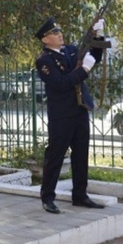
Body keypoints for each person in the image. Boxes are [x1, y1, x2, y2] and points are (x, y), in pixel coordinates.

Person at [34, 16, 106, 214]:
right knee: (55, 155)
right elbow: (61, 83)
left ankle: (80, 195)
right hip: (62, 114)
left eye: (59, 31)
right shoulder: (44, 61)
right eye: (54, 33)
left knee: (81, 154)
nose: (60, 34)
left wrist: (98, 36)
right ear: (45, 39)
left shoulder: (71, 50)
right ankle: (48, 197)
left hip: (80, 109)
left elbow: (93, 55)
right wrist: (84, 70)